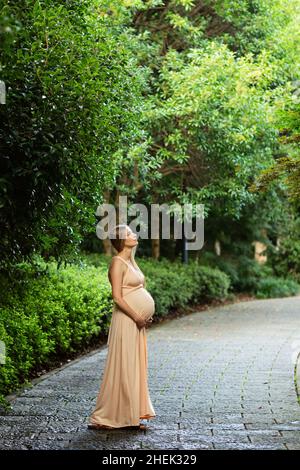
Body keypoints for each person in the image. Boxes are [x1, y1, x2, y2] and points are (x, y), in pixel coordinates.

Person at [88, 224, 156, 430]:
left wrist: (144, 316)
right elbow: (117, 296)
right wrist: (137, 316)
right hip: (126, 321)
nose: (134, 235)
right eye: (129, 233)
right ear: (121, 239)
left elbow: (137, 290)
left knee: (135, 366)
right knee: (124, 366)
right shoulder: (117, 263)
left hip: (136, 322)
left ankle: (131, 414)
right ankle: (111, 417)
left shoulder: (131, 261)